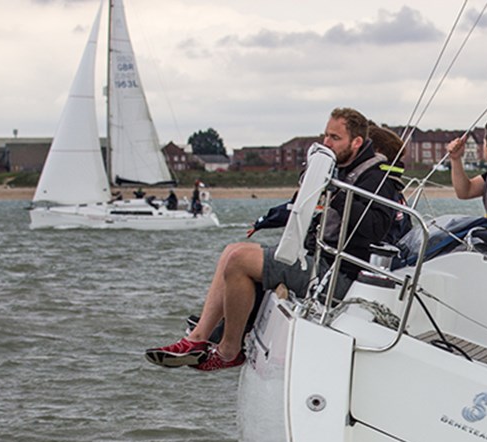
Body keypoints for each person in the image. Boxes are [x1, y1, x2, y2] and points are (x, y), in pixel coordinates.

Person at [145, 108, 404, 372]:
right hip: (320, 261)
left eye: (335, 138)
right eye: (325, 135)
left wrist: (333, 193)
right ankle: (197, 338)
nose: (326, 142)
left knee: (239, 261)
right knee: (232, 250)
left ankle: (228, 351)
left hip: (339, 275)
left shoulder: (376, 178)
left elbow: (375, 229)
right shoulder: (344, 169)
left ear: (356, 142)